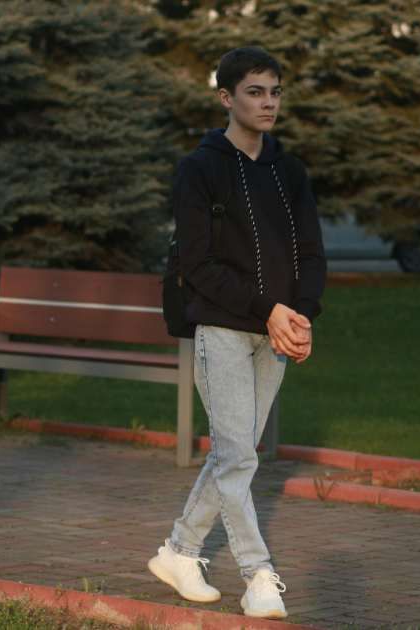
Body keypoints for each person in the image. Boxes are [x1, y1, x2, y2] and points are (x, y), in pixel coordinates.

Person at [148, 47, 325, 620]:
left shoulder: (290, 171)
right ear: (227, 98)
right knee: (238, 457)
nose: (268, 102)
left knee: (235, 453)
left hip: (275, 332)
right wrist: (267, 309)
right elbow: (197, 265)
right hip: (222, 328)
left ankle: (179, 551)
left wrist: (300, 315)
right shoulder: (199, 168)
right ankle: (258, 574)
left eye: (275, 91)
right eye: (255, 91)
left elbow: (310, 254)